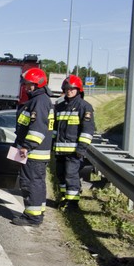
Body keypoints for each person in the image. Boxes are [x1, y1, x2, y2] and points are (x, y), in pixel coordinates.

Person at [12, 67, 54, 226]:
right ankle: (37, 212)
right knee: (37, 183)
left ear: (39, 84)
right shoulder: (38, 100)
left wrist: (26, 147)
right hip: (34, 152)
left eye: (30, 84)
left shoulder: (39, 101)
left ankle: (32, 217)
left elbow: (38, 128)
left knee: (30, 183)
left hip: (33, 153)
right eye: (26, 84)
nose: (27, 87)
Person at [53, 74, 95, 210]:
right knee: (61, 175)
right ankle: (64, 198)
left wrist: (81, 149)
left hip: (74, 151)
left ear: (79, 90)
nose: (69, 91)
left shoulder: (84, 107)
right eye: (67, 89)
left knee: (71, 176)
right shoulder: (59, 107)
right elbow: (54, 128)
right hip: (60, 150)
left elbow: (87, 131)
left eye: (72, 89)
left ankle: (73, 204)